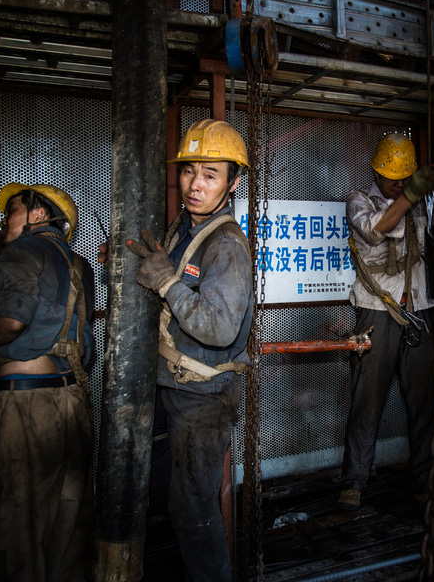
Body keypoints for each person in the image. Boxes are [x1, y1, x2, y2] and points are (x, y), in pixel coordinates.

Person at [125, 119, 253, 582]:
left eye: (210, 174)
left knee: (194, 510)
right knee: (169, 498)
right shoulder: (185, 228)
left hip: (202, 398)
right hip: (173, 388)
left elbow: (219, 327)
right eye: (189, 171)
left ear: (232, 182)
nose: (195, 184)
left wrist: (167, 282)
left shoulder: (227, 245)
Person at [0, 183, 95, 582]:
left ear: (36, 215)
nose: (2, 220)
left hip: (23, 409)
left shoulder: (22, 252)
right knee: (67, 526)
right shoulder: (79, 265)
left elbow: (11, 323)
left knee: (11, 529)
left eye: (11, 211)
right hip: (72, 402)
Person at [338, 132, 434, 511]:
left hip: (419, 310)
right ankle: (354, 480)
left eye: (405, 178)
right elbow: (378, 227)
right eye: (391, 178)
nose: (397, 184)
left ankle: (425, 479)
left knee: (423, 401)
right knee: (367, 400)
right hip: (377, 312)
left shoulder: (419, 204)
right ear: (376, 171)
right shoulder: (358, 202)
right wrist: (412, 194)